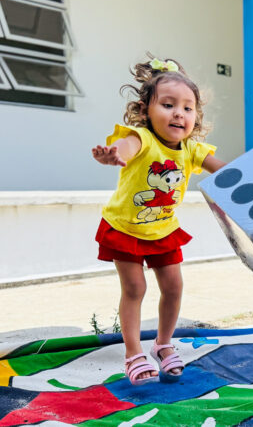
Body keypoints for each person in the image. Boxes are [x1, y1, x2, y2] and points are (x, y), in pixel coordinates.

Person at [91, 56, 226, 386]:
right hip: (125, 228)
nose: (179, 113)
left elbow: (225, 171)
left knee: (174, 287)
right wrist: (115, 152)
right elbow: (126, 144)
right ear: (144, 110)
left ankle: (163, 344)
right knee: (135, 288)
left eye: (187, 108)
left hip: (162, 230)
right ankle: (133, 353)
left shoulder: (191, 150)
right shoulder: (142, 139)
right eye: (168, 104)